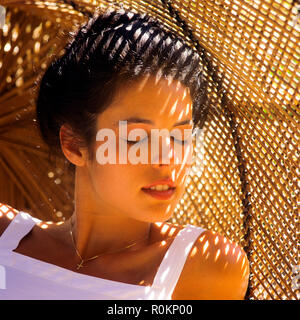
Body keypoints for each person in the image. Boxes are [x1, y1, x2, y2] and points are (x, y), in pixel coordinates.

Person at [0, 7, 249, 299]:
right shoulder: (6, 237)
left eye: (180, 137)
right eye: (137, 138)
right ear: (74, 144)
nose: (168, 158)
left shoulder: (204, 266)